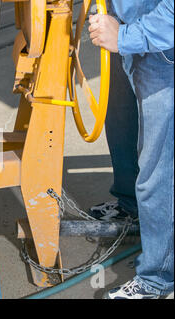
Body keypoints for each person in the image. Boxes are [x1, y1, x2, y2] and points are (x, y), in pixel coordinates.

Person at [87, 0, 174, 299]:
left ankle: (159, 277)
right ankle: (130, 206)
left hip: (162, 44)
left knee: (160, 167)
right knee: (122, 128)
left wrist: (125, 37)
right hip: (125, 29)